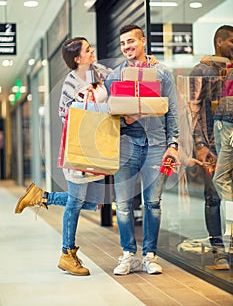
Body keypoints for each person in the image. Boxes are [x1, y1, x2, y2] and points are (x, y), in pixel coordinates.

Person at [14, 37, 111, 276]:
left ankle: (42, 196)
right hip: (79, 149)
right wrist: (87, 107)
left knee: (96, 202)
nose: (93, 51)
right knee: (77, 203)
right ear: (77, 58)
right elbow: (64, 116)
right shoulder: (70, 83)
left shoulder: (99, 72)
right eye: (88, 50)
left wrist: (144, 64)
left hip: (99, 149)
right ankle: (67, 254)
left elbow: (122, 75)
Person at [105, 24, 179, 275]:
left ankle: (150, 255)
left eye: (131, 41)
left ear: (143, 41)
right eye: (123, 43)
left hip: (156, 145)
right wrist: (125, 118)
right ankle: (128, 254)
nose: (127, 47)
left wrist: (174, 144)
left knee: (153, 203)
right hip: (126, 145)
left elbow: (173, 112)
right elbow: (109, 114)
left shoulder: (162, 73)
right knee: (123, 203)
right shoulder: (114, 76)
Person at [189, 25, 233, 270]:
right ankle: (218, 251)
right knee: (214, 197)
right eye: (232, 42)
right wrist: (200, 145)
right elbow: (193, 110)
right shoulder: (202, 70)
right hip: (212, 144)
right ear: (219, 42)